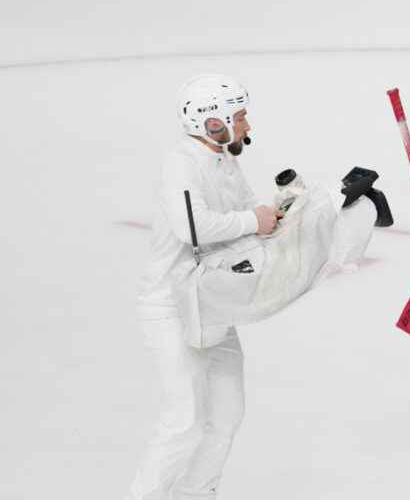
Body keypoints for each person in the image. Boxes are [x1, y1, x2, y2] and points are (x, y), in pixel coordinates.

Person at [126, 74, 390, 500]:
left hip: (210, 303)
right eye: (239, 116)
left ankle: (196, 493)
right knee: (184, 421)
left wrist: (301, 211)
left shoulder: (223, 160)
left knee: (227, 415)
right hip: (172, 308)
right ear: (213, 124)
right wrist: (255, 221)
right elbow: (191, 226)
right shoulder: (183, 163)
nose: (247, 125)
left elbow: (252, 215)